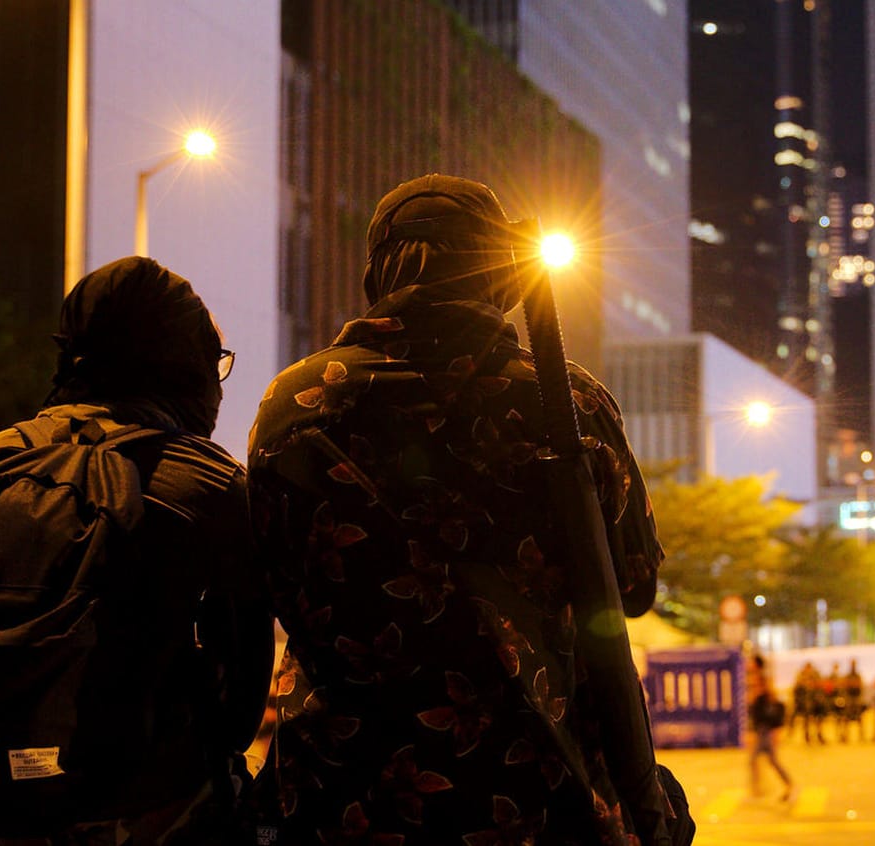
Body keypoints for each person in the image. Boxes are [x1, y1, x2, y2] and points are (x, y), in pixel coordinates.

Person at [247, 174, 672, 844]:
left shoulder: (296, 402)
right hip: (542, 797)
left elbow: (264, 585)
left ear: (380, 271)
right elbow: (634, 585)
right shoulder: (568, 404)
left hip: (346, 798)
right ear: (500, 274)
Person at [0, 256, 275, 844]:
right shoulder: (208, 485)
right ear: (182, 363)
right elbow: (241, 705)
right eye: (214, 362)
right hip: (137, 816)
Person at [747, 656, 792, 801]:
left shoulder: (763, 680)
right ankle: (758, 789)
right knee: (762, 760)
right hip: (761, 730)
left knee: (768, 760)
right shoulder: (754, 679)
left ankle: (787, 785)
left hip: (766, 731)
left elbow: (774, 706)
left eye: (751, 662)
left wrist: (776, 729)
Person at [837, 659, 866, 743]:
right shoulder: (848, 676)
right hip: (849, 700)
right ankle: (845, 736)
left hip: (856, 700)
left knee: (859, 720)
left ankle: (861, 737)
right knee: (846, 719)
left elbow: (861, 687)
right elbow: (844, 687)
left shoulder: (857, 676)